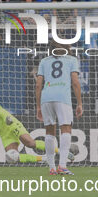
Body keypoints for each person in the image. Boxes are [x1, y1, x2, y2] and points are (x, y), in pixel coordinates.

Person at [0, 89, 75, 163]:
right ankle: (44, 159)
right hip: (4, 134)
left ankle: (61, 151)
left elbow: (1, 112)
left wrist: (7, 119)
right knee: (12, 157)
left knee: (30, 143)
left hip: (11, 124)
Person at [35, 42, 83, 175]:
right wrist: (79, 103)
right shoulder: (72, 60)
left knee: (49, 131)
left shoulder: (44, 61)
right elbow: (75, 82)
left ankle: (51, 168)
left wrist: (38, 106)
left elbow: (38, 85)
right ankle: (62, 165)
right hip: (63, 98)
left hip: (46, 97)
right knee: (66, 128)